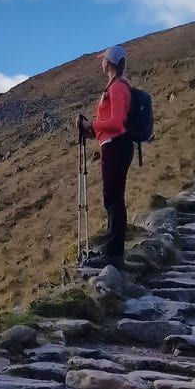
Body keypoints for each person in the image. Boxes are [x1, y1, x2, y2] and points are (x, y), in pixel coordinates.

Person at [78, 44, 136, 271]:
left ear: (109, 63)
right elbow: (111, 124)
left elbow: (117, 122)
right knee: (112, 197)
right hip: (114, 146)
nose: (101, 63)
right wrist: (92, 130)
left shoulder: (118, 87)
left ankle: (114, 254)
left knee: (113, 198)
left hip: (116, 146)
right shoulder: (116, 86)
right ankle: (112, 250)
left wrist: (91, 125)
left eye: (103, 59)